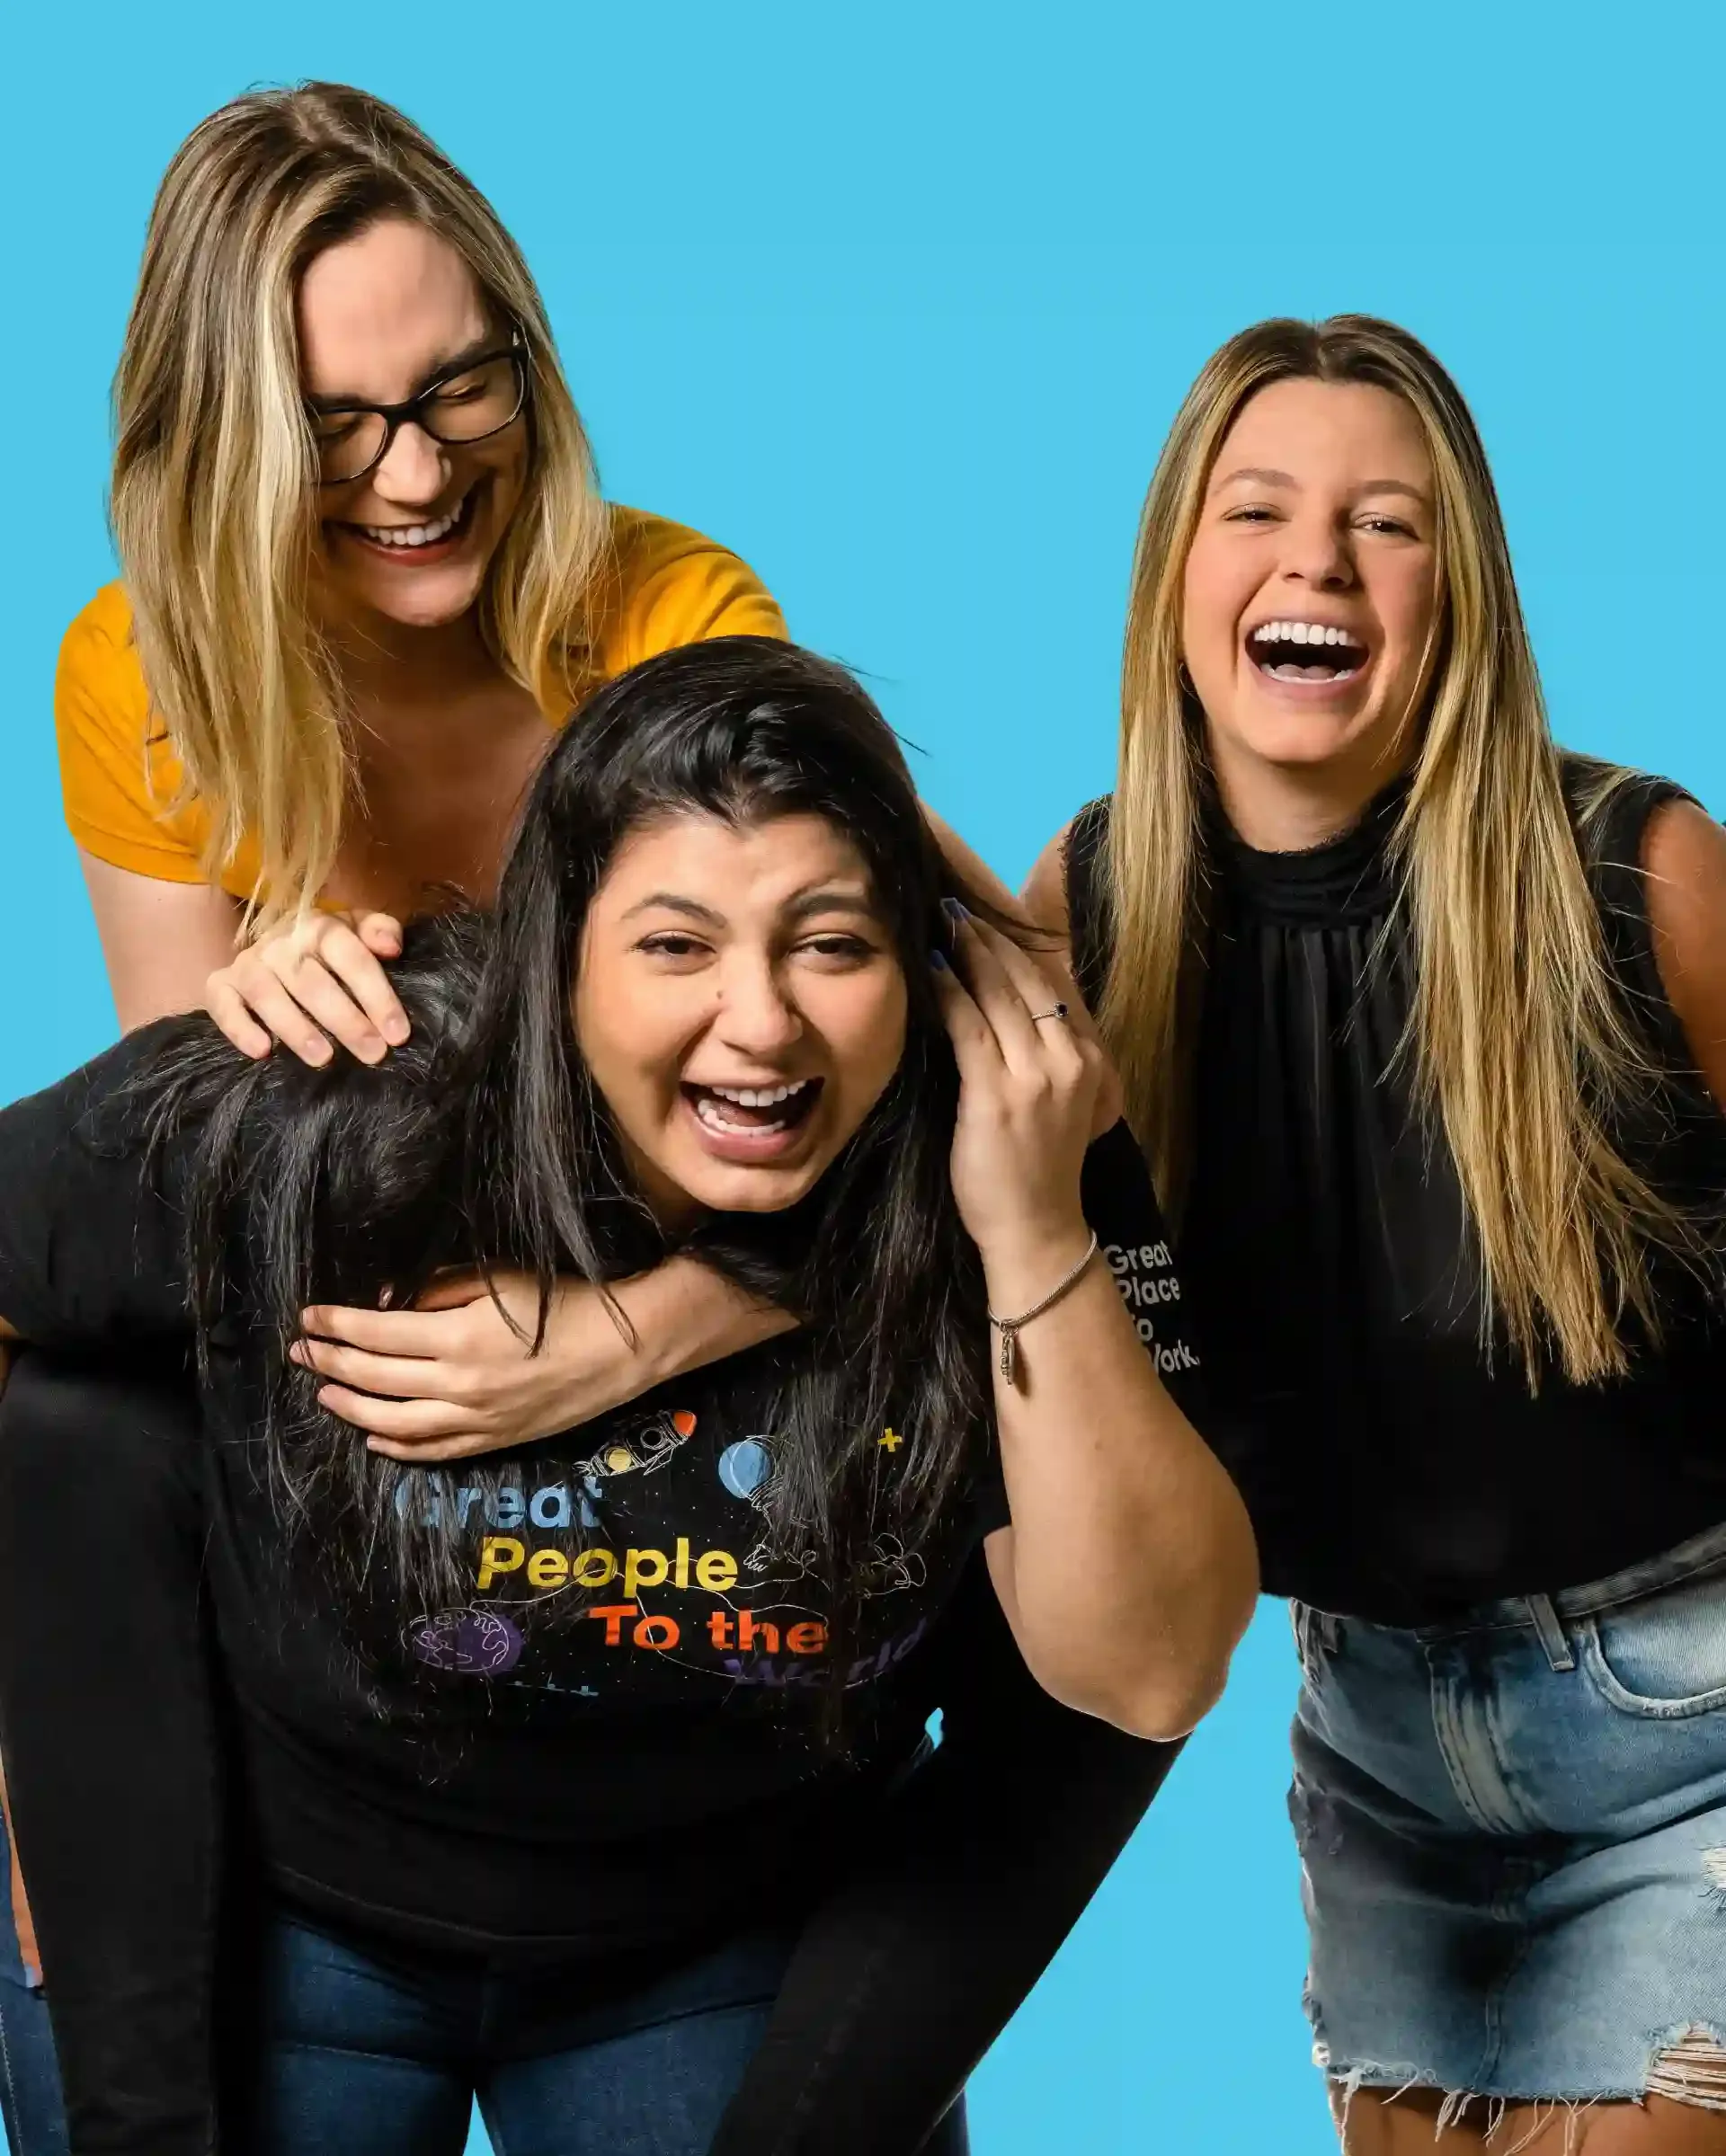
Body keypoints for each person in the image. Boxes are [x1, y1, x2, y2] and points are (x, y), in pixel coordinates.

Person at [0, 637, 1257, 2155]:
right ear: (559, 959)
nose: (762, 1022)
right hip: (288, 1898)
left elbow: (1143, 1677)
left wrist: (1034, 1223)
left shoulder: (1019, 1138)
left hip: (710, 1932)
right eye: (675, 946)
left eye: (831, 943)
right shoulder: (341, 1091)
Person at [4, 72, 778, 2150]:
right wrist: (234, 1053)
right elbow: (168, 1270)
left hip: (646, 1561)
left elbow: (843, 1093)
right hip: (321, 1607)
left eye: (461, 390)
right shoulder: (143, 676)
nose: (417, 470)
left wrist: (651, 1324)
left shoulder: (671, 619)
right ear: (224, 434)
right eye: (336, 425)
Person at [1026, 314, 1726, 2152]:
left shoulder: (1637, 882)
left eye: (1387, 522)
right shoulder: (1087, 916)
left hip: (1691, 1714)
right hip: (1374, 1743)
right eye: (1256, 507)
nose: (1317, 559)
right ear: (1181, 573)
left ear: (1460, 585)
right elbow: (1085, 1335)